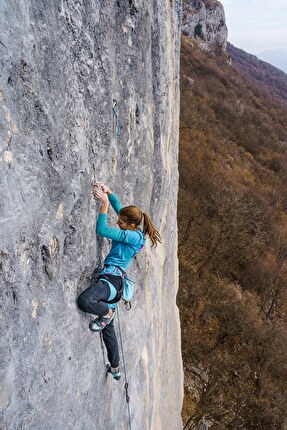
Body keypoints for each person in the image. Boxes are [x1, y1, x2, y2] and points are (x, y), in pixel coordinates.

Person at [77, 182, 161, 380]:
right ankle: (115, 367)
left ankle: (106, 312)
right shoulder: (135, 233)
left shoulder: (130, 236)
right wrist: (110, 193)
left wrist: (103, 205)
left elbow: (103, 230)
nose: (118, 223)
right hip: (115, 280)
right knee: (109, 330)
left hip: (112, 281)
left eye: (121, 223)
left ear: (131, 225)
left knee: (86, 301)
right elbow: (120, 211)